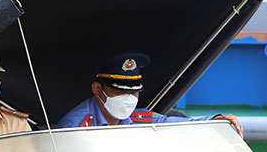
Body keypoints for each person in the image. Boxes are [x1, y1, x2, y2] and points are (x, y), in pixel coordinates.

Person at [54, 52, 244, 136]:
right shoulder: (75, 127)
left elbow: (170, 124)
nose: (127, 98)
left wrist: (216, 120)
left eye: (133, 92)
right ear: (97, 89)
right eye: (119, 91)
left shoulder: (138, 118)